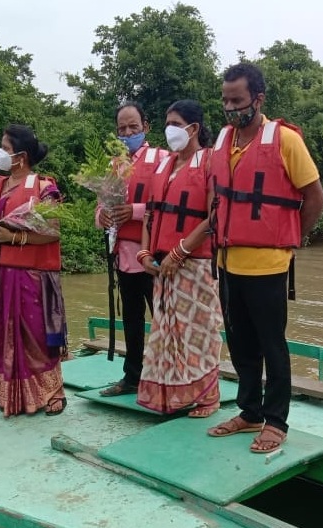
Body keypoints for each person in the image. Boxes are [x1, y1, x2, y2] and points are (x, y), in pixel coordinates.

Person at [206, 63, 323, 453]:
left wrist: (291, 239)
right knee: (240, 345)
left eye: (237, 100)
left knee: (272, 346)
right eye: (225, 100)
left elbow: (316, 198)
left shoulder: (285, 140)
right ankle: (250, 412)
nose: (230, 107)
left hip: (269, 265)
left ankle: (276, 421)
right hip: (227, 264)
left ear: (258, 99)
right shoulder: (224, 140)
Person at [136, 100, 223, 417]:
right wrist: (144, 251)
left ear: (194, 128)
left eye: (175, 123)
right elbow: (150, 213)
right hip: (162, 266)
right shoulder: (164, 164)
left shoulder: (210, 162)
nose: (169, 129)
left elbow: (214, 215)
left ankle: (208, 396)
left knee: (198, 332)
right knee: (167, 334)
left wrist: (180, 251)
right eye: (167, 123)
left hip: (194, 264)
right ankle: (175, 395)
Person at [0, 124, 68, 417]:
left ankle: (53, 393)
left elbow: (53, 232)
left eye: (5, 147)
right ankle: (15, 396)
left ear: (21, 155)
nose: (0, 152)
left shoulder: (44, 187)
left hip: (32, 275)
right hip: (2, 275)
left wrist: (14, 238)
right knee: (7, 337)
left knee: (37, 336)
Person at [96, 102, 169, 396]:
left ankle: (168, 377)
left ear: (146, 127)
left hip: (152, 254)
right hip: (123, 256)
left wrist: (135, 211)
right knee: (132, 319)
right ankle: (133, 377)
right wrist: (100, 214)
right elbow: (101, 206)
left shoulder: (163, 159)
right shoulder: (113, 165)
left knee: (163, 319)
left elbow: (170, 204)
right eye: (122, 129)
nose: (127, 133)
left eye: (133, 128)